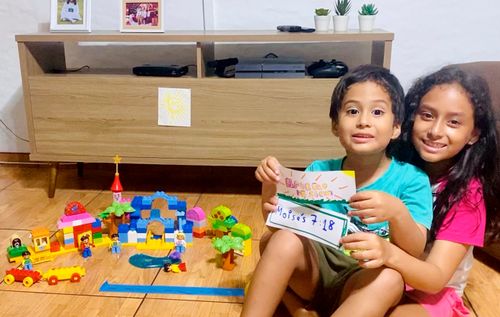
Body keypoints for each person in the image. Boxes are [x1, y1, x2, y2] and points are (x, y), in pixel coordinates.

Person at [242, 65, 434, 317]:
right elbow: (278, 225)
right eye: (352, 111)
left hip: (362, 279)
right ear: (335, 125)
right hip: (313, 273)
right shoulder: (319, 170)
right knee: (279, 241)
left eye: (377, 112)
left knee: (390, 278)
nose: (363, 121)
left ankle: (302, 309)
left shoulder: (411, 179)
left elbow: (415, 250)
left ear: (396, 127)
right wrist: (269, 188)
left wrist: (397, 213)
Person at [340, 66, 500, 317]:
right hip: (378, 275)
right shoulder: (398, 167)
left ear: (473, 134)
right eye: (427, 115)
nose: (435, 131)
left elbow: (435, 279)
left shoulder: (467, 195)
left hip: (431, 293)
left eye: (454, 122)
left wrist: (388, 251)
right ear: (411, 118)